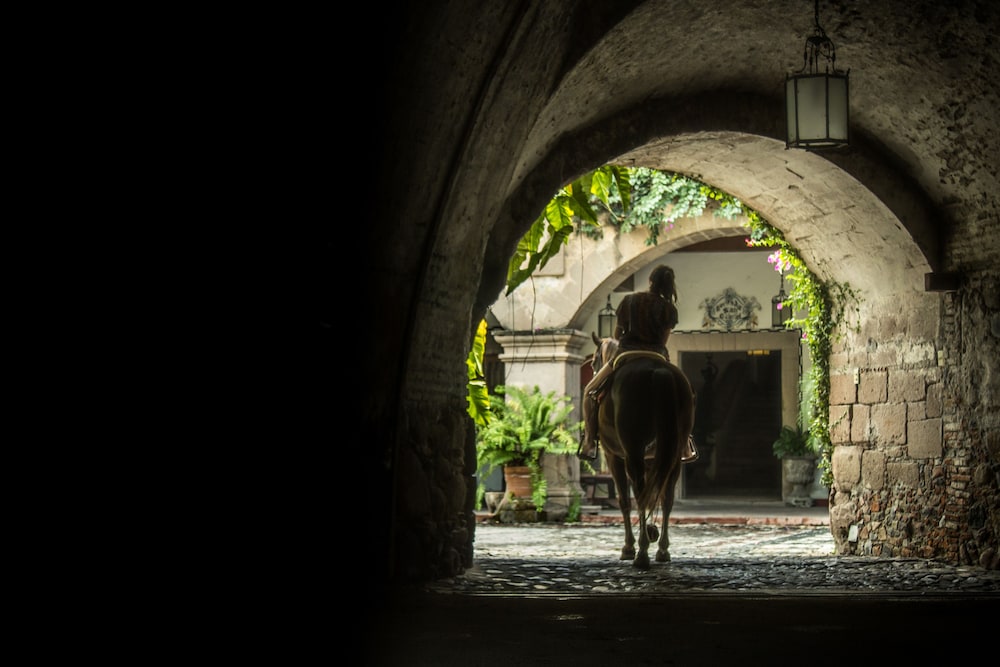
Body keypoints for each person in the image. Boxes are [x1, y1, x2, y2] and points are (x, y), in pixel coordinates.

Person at [579, 264, 698, 463]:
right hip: (657, 356)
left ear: (650, 281)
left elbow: (617, 336)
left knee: (589, 391)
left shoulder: (630, 301)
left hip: (627, 354)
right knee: (687, 395)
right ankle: (685, 444)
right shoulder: (669, 309)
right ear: (670, 285)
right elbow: (663, 341)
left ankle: (589, 441)